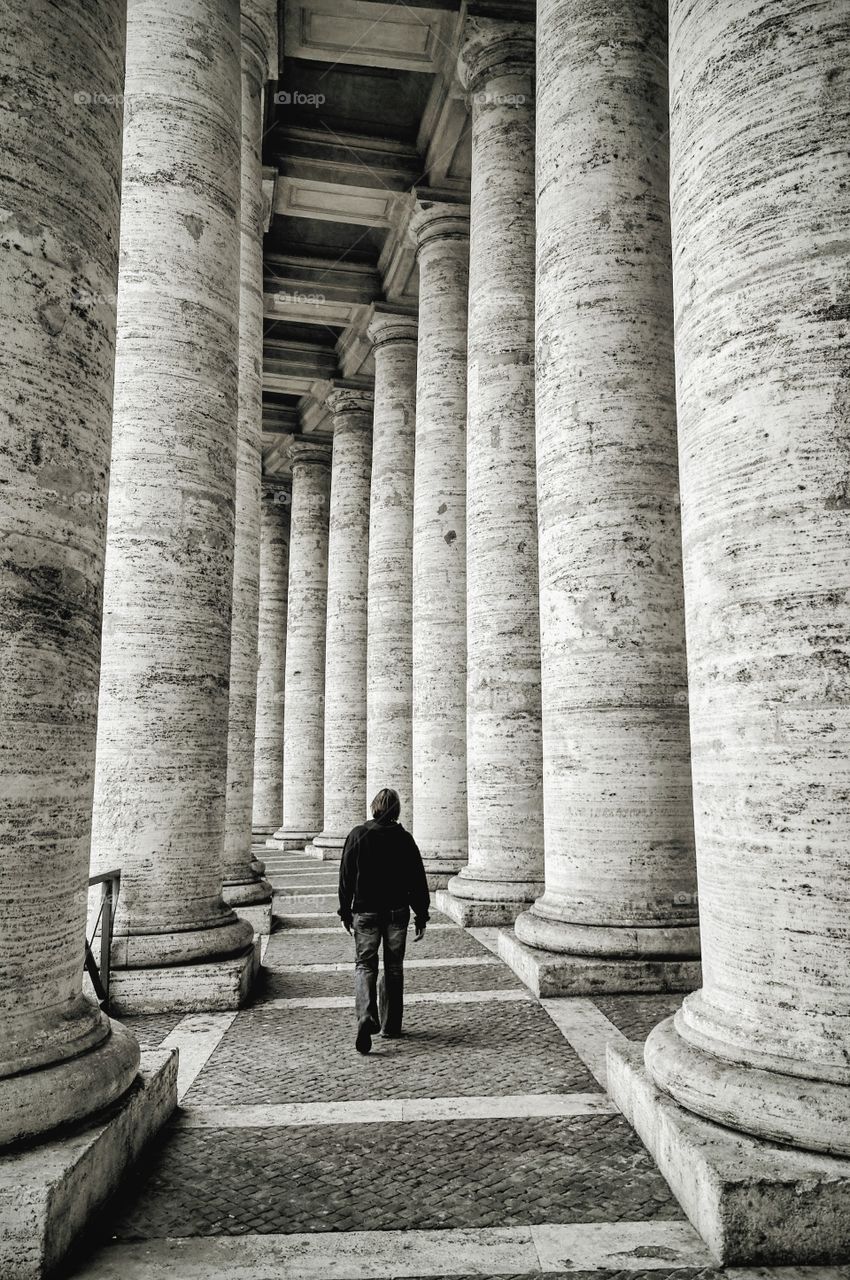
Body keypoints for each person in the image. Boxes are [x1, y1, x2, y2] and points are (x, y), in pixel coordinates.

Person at [337, 786, 430, 1055]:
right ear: (397, 810)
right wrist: (421, 914)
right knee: (394, 967)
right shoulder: (405, 839)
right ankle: (390, 1024)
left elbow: (345, 877)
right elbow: (417, 880)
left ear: (373, 807)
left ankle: (366, 1016)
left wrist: (345, 911)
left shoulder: (358, 834)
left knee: (365, 966)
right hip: (396, 912)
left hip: (364, 913)